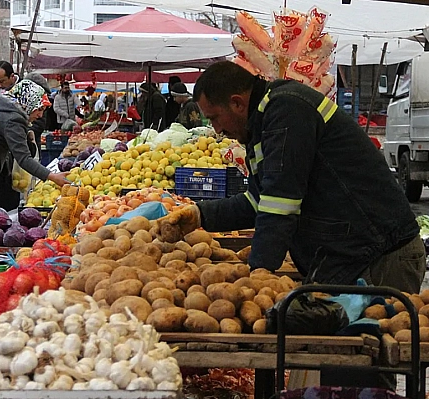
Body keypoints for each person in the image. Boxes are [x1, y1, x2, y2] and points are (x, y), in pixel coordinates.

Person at [155, 61, 425, 388]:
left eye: (214, 118)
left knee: (359, 374)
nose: (217, 130)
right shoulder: (264, 123)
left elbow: (280, 204)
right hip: (346, 257)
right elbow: (259, 201)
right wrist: (199, 216)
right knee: (341, 372)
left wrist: (255, 281)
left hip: (381, 255)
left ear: (238, 102)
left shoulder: (288, 108)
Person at [0, 79, 70, 211]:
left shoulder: (0, 108)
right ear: (28, 102)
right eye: (39, 108)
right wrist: (52, 177)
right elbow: (24, 158)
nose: (40, 115)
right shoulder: (13, 119)